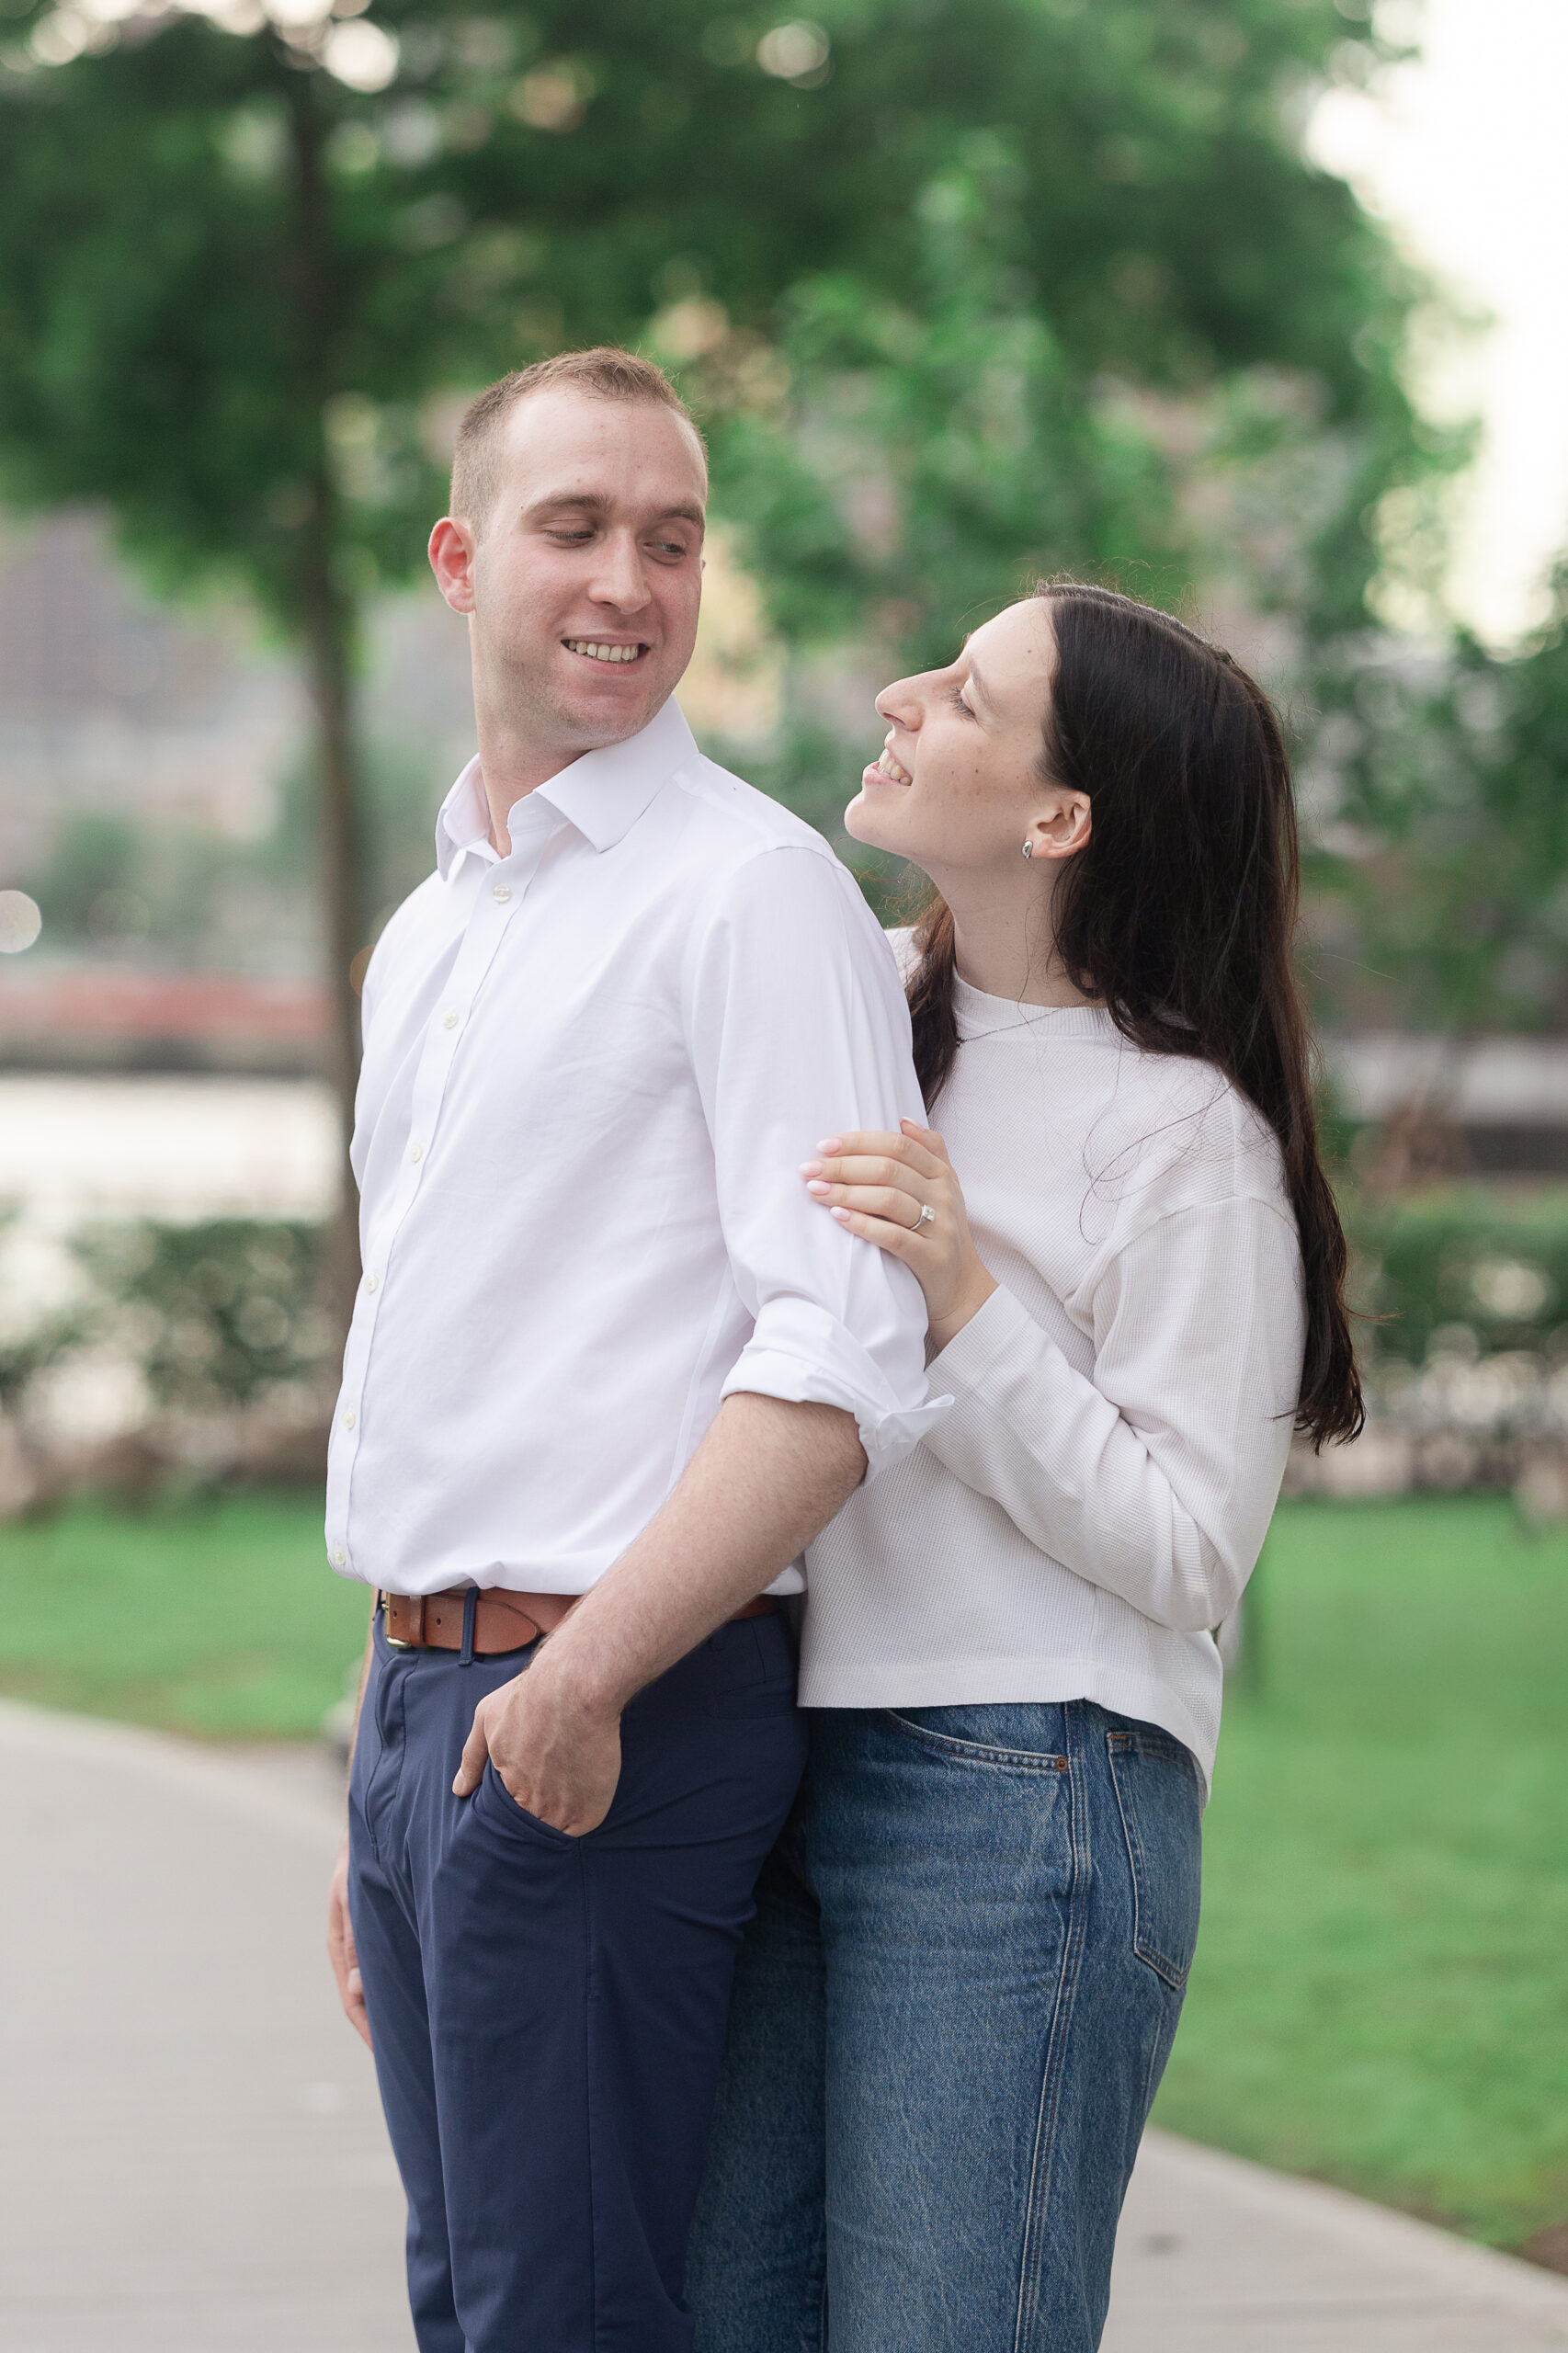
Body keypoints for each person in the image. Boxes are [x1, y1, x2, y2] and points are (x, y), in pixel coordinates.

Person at [322, 347, 942, 2353]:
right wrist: (383, 1759)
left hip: (614, 1692)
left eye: (668, 539)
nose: (626, 580)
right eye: (573, 527)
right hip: (433, 1698)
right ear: (456, 558)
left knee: (559, 2315)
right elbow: (440, 1353)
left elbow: (844, 1352)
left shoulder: (754, 894)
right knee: (474, 2299)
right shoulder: (433, 931)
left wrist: (576, 1681)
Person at [687, 583, 1363, 2353]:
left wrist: (966, 1297)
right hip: (778, 1750)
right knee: (722, 2314)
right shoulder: (866, 1010)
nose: (902, 695)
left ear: (1058, 819)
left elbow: (1186, 1547)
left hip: (1023, 1794)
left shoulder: (1177, 1129)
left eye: (967, 695)